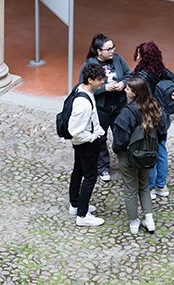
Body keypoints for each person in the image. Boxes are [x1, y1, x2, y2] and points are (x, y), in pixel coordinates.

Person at [111, 77, 167, 234]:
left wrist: (118, 152)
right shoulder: (155, 108)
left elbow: (119, 140)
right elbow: (162, 132)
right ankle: (149, 220)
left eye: (128, 89)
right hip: (148, 155)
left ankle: (134, 222)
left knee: (130, 189)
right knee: (143, 186)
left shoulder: (127, 113)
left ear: (134, 93)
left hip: (129, 156)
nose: (125, 90)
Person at [133, 41, 174, 200]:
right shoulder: (160, 70)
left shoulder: (141, 75)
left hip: (149, 117)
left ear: (143, 56)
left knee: (149, 151)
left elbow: (138, 97)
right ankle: (162, 185)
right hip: (163, 117)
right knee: (161, 150)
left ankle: (150, 188)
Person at [78, 33, 132, 183]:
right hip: (101, 108)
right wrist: (104, 88)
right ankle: (102, 167)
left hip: (119, 105)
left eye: (113, 47)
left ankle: (125, 165)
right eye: (108, 49)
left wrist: (124, 83)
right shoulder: (89, 65)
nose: (112, 51)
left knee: (122, 135)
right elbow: (83, 87)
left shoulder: (118, 60)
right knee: (100, 138)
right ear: (98, 51)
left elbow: (129, 74)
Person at [67, 63, 107, 227]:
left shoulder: (82, 89)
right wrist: (92, 137)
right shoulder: (83, 103)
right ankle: (82, 215)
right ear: (90, 80)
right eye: (99, 80)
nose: (102, 83)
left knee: (78, 171)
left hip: (83, 143)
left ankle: (75, 205)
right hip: (86, 143)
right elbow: (75, 130)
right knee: (90, 177)